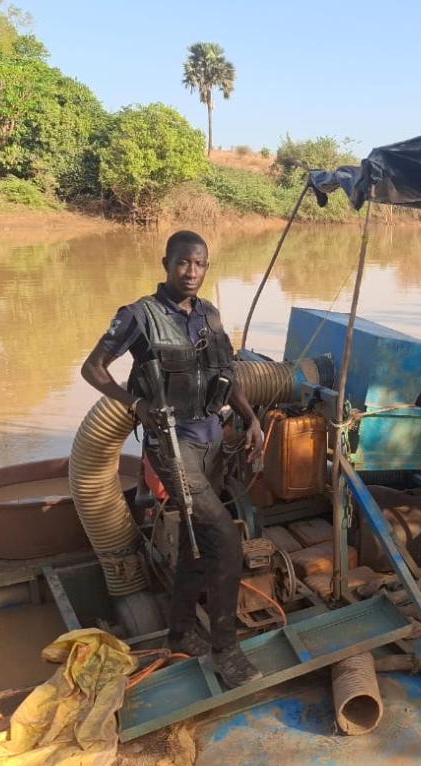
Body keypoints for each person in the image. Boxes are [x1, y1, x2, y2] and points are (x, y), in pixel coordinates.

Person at [80, 230, 266, 688]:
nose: (192, 272)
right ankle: (226, 651)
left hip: (210, 441)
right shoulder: (139, 316)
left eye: (200, 264)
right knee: (224, 539)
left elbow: (228, 374)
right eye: (184, 263)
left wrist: (252, 421)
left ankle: (183, 630)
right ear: (166, 263)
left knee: (193, 539)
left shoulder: (210, 314)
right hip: (171, 444)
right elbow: (92, 368)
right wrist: (134, 404)